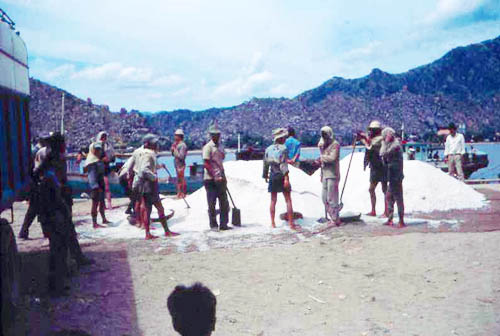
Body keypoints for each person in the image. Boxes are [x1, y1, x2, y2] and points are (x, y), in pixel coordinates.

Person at [136, 134, 179, 239]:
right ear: (149, 144)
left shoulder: (140, 153)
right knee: (159, 208)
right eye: (154, 143)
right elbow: (144, 170)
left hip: (143, 185)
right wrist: (154, 177)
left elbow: (146, 167)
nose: (156, 145)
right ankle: (166, 231)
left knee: (148, 209)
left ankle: (148, 233)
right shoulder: (149, 154)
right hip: (150, 185)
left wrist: (159, 167)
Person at [263, 128, 298, 230]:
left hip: (273, 175)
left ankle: (273, 223)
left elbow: (265, 164)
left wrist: (265, 175)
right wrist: (286, 178)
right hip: (281, 175)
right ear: (281, 138)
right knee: (288, 199)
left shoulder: (268, 149)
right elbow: (284, 165)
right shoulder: (283, 149)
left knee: (273, 200)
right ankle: (291, 223)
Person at [18, 133, 51, 239]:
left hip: (35, 182)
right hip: (38, 183)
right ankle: (26, 231)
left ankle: (42, 231)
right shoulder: (41, 151)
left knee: (38, 209)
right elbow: (37, 168)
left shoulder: (36, 151)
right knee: (35, 209)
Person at [202, 124, 231, 231]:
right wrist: (214, 175)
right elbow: (206, 163)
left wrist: (221, 175)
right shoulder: (208, 147)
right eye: (214, 135)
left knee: (224, 202)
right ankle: (213, 225)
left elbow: (221, 158)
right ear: (211, 135)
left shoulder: (219, 146)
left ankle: (224, 224)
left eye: (218, 134)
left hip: (221, 177)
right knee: (212, 202)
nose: (217, 136)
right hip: (210, 179)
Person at [357, 120, 388, 217]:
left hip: (382, 166)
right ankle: (373, 210)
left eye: (374, 130)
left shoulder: (380, 139)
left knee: (384, 189)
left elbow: (371, 145)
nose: (372, 131)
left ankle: (386, 211)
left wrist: (364, 138)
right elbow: (369, 145)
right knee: (371, 189)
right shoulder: (372, 138)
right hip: (375, 166)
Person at [380, 127, 405, 228]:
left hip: (396, 175)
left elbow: (384, 153)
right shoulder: (389, 144)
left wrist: (384, 143)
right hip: (391, 174)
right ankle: (390, 218)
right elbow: (381, 153)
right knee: (389, 197)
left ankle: (401, 220)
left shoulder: (396, 145)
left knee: (398, 198)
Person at [318, 126, 341, 226]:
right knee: (324, 198)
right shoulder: (323, 145)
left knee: (332, 197)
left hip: (333, 174)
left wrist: (321, 158)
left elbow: (332, 158)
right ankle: (331, 215)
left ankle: (335, 218)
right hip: (325, 174)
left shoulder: (335, 145)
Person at [85, 142, 110, 229]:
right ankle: (94, 223)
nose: (98, 151)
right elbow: (91, 177)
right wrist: (95, 187)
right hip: (95, 186)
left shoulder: (98, 160)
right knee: (95, 203)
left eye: (99, 149)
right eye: (96, 149)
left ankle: (103, 219)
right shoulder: (91, 162)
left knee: (102, 202)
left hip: (100, 183)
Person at [95, 131, 116, 209]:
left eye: (105, 137)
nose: (104, 139)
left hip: (105, 167)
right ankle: (102, 204)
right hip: (98, 167)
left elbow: (113, 157)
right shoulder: (96, 145)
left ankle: (109, 203)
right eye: (102, 137)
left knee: (106, 186)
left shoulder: (109, 146)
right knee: (99, 188)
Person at [171, 129, 188, 199]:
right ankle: (179, 193)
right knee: (179, 179)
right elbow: (174, 155)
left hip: (181, 164)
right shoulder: (177, 145)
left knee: (181, 179)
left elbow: (181, 156)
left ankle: (183, 193)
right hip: (177, 164)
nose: (174, 137)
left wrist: (174, 150)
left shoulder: (182, 145)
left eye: (176, 136)